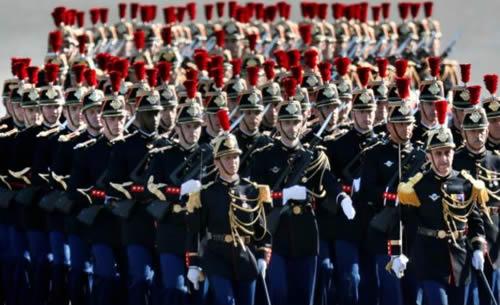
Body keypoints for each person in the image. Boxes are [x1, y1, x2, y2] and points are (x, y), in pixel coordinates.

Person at [396, 100, 488, 305]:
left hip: (460, 260)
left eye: (448, 153)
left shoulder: (465, 182)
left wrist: (479, 248)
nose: (444, 159)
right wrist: (400, 253)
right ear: (429, 156)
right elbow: (405, 221)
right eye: (438, 153)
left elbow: (474, 219)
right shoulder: (417, 186)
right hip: (428, 260)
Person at [185, 110, 272, 305]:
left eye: (235, 157)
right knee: (226, 301)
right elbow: (196, 230)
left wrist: (262, 255)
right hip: (217, 255)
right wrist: (194, 263)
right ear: (216, 162)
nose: (232, 162)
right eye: (227, 158)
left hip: (245, 256)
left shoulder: (251, 190)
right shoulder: (206, 193)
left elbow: (261, 228)